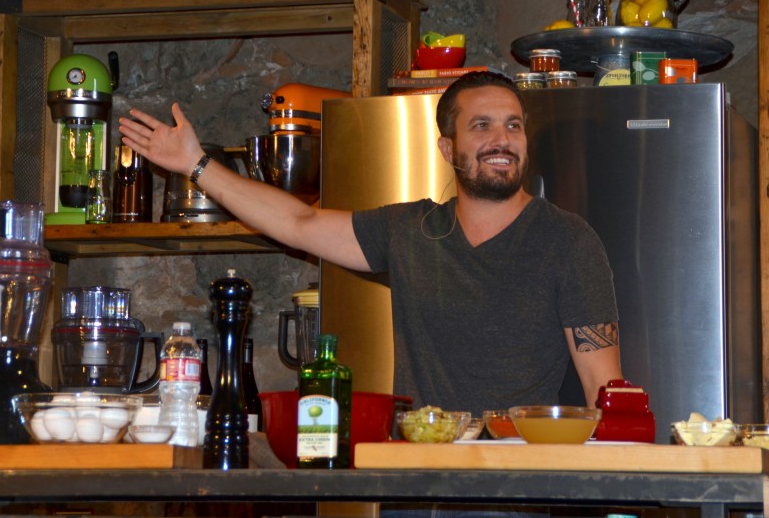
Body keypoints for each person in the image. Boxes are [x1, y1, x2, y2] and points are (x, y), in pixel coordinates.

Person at [118, 71, 622, 415]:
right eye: (482, 126)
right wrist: (197, 166)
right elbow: (297, 223)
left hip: (514, 497)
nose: (502, 139)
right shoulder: (409, 231)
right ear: (448, 148)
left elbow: (606, 389)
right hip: (414, 487)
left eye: (513, 125)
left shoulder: (568, 242)